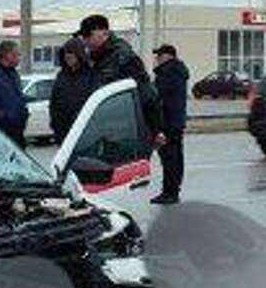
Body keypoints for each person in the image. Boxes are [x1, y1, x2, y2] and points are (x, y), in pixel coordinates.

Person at [78, 14, 164, 147]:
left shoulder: (122, 57)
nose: (85, 40)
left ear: (103, 33)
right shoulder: (97, 59)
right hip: (107, 130)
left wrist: (155, 130)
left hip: (125, 132)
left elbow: (147, 94)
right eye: (83, 37)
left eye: (88, 36)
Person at [150, 44, 191, 204]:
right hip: (176, 121)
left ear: (168, 56)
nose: (157, 58)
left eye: (159, 55)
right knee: (175, 158)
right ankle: (172, 191)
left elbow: (161, 100)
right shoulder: (177, 71)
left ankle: (170, 193)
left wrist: (159, 126)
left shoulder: (168, 73)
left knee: (170, 160)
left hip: (168, 123)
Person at [49, 36, 95, 142]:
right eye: (65, 54)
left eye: (71, 54)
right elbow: (54, 102)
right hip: (63, 133)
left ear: (79, 55)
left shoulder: (90, 75)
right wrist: (55, 126)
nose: (67, 57)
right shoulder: (61, 76)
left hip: (84, 131)